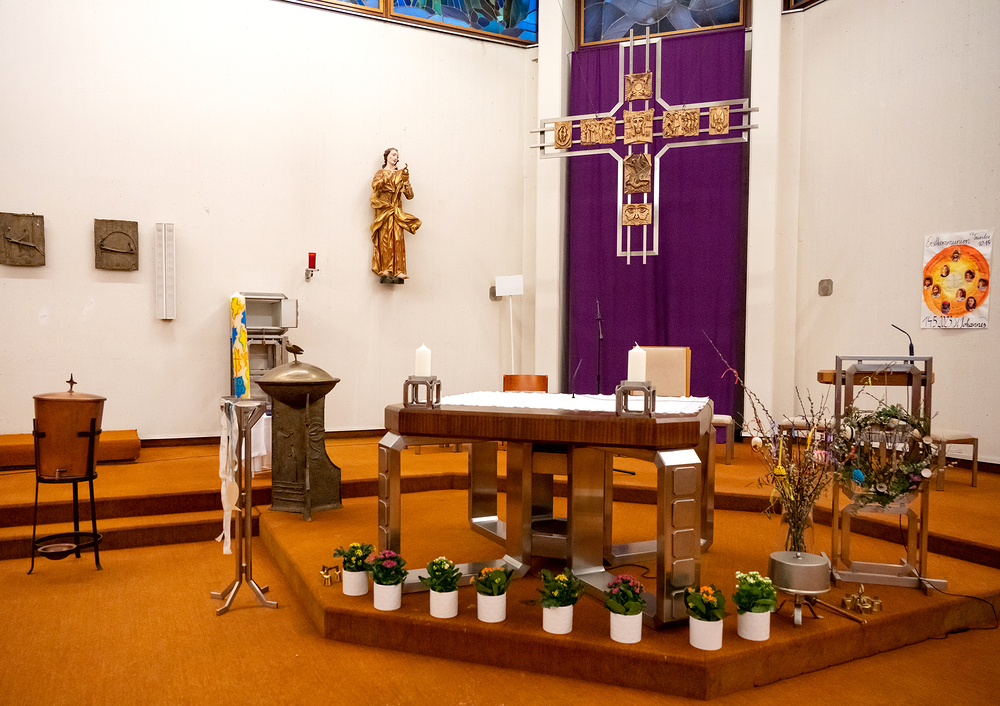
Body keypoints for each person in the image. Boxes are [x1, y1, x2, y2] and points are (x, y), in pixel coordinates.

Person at [370, 147, 421, 284]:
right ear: (387, 156)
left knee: (398, 239)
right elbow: (375, 186)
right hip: (384, 210)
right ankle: (385, 268)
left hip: (396, 210)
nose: (395, 157)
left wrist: (405, 181)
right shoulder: (380, 173)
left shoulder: (401, 174)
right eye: (393, 154)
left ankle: (399, 270)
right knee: (385, 239)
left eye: (397, 156)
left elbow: (410, 196)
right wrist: (388, 177)